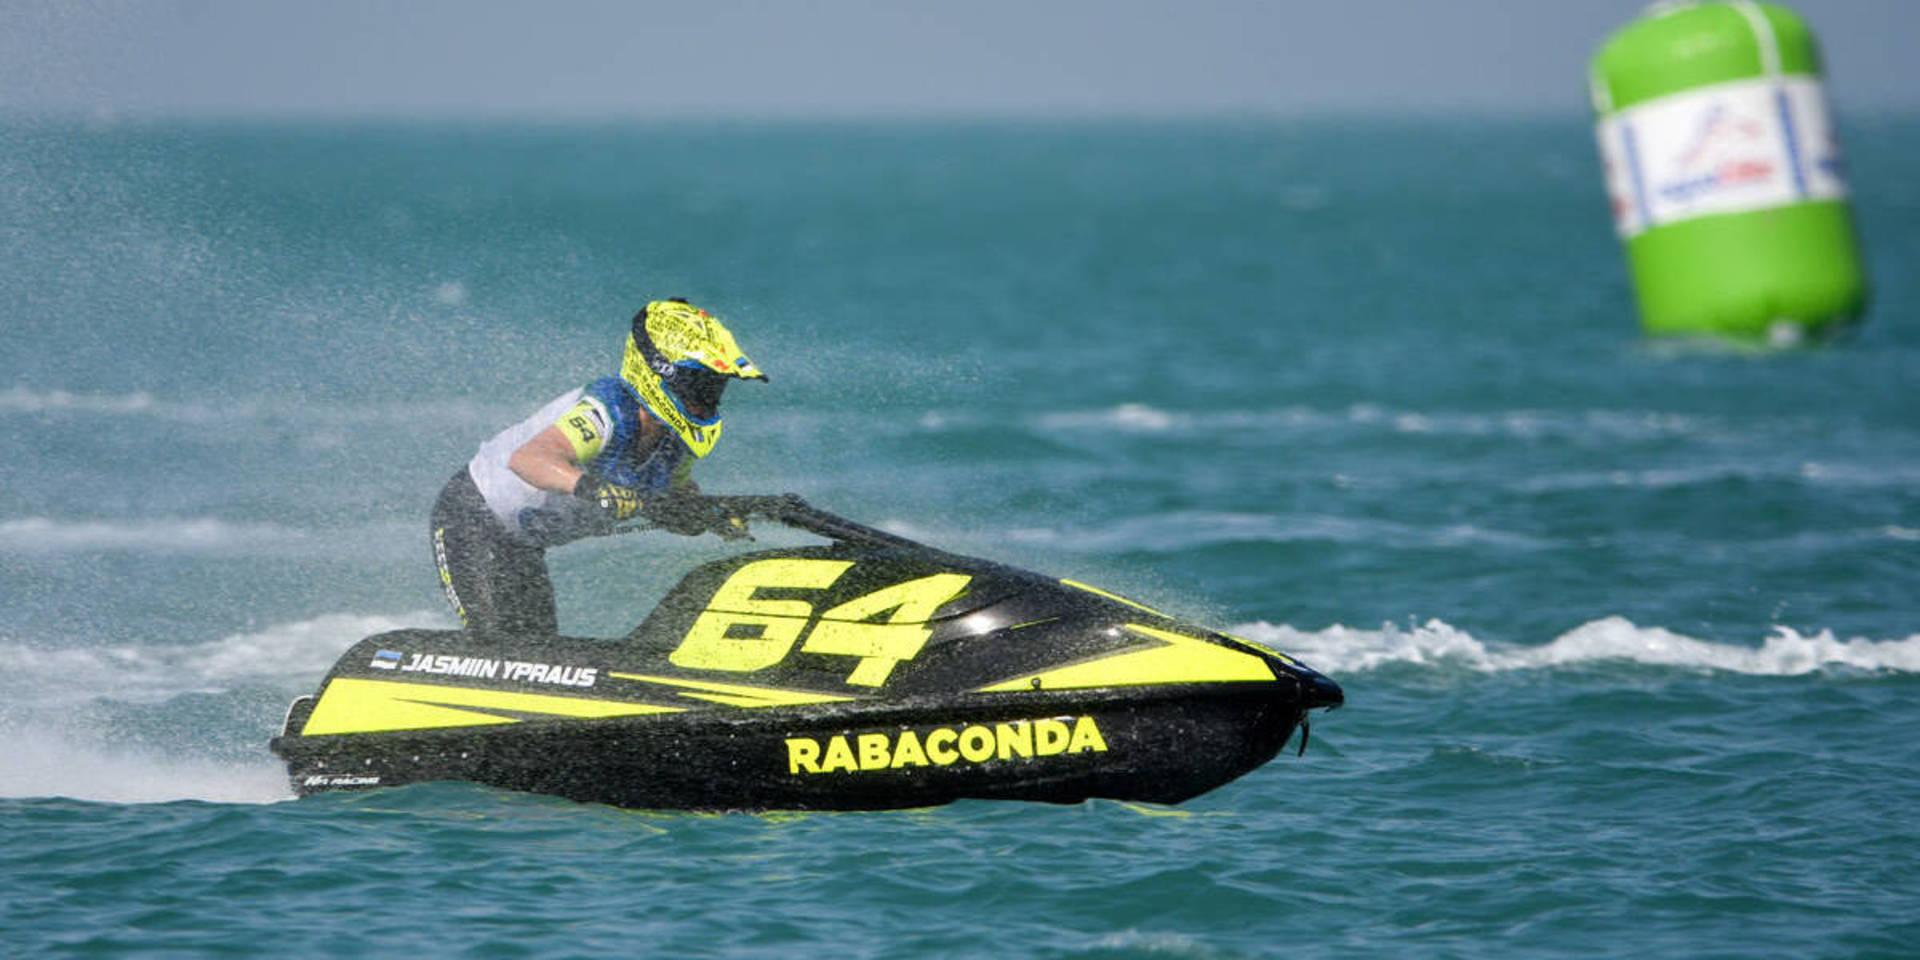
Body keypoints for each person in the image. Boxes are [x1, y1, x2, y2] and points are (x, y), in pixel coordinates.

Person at [430, 298, 767, 634]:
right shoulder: (606, 412)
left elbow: (676, 499)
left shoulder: (678, 442)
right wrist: (593, 488)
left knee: (539, 651)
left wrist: (710, 517)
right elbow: (528, 459)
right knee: (494, 644)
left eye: (714, 389)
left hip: (521, 544)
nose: (706, 400)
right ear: (661, 372)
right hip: (470, 519)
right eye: (700, 386)